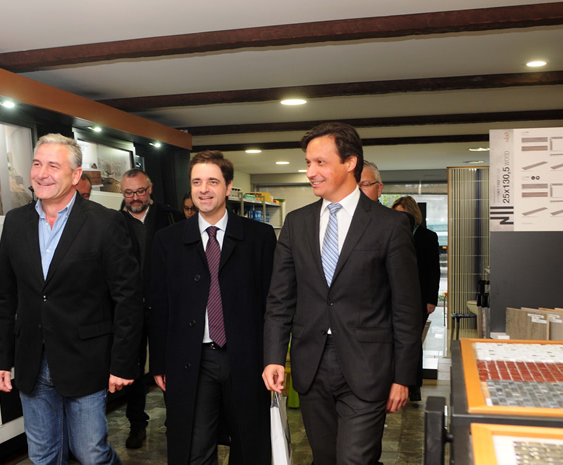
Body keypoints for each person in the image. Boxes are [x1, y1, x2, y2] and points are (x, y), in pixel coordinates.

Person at [262, 122, 422, 465]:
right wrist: (274, 356)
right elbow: (280, 299)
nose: (310, 172)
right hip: (311, 364)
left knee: (354, 459)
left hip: (368, 367)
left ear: (350, 163)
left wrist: (404, 376)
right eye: (308, 163)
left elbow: (406, 308)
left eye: (320, 162)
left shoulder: (389, 225)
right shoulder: (296, 223)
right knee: (324, 458)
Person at [0, 133, 143, 465]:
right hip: (32, 360)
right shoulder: (15, 222)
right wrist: (0, 358)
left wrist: (123, 363)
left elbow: (128, 299)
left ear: (75, 175)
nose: (41, 173)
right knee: (43, 455)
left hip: (86, 359)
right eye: (37, 164)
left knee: (91, 453)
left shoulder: (105, 223)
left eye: (53, 166)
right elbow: (3, 295)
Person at [150, 150, 276, 465]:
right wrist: (159, 363)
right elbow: (159, 306)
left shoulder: (259, 237)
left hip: (246, 358)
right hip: (191, 360)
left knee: (250, 445)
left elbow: (272, 304)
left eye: (212, 182)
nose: (203, 189)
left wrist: (273, 358)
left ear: (228, 186)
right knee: (194, 448)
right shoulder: (167, 240)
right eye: (196, 182)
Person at [119, 168, 185, 449]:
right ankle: (137, 424)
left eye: (140, 191)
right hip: (128, 310)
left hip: (165, 308)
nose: (135, 198)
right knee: (131, 369)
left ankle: (176, 423)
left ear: (150, 189)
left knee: (169, 366)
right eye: (128, 193)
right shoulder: (113, 222)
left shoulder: (173, 218)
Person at [391, 196, 441, 402]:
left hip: (419, 298)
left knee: (412, 340)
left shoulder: (427, 237)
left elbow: (434, 270)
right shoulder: (389, 234)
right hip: (393, 297)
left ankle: (414, 385)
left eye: (403, 214)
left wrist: (431, 300)